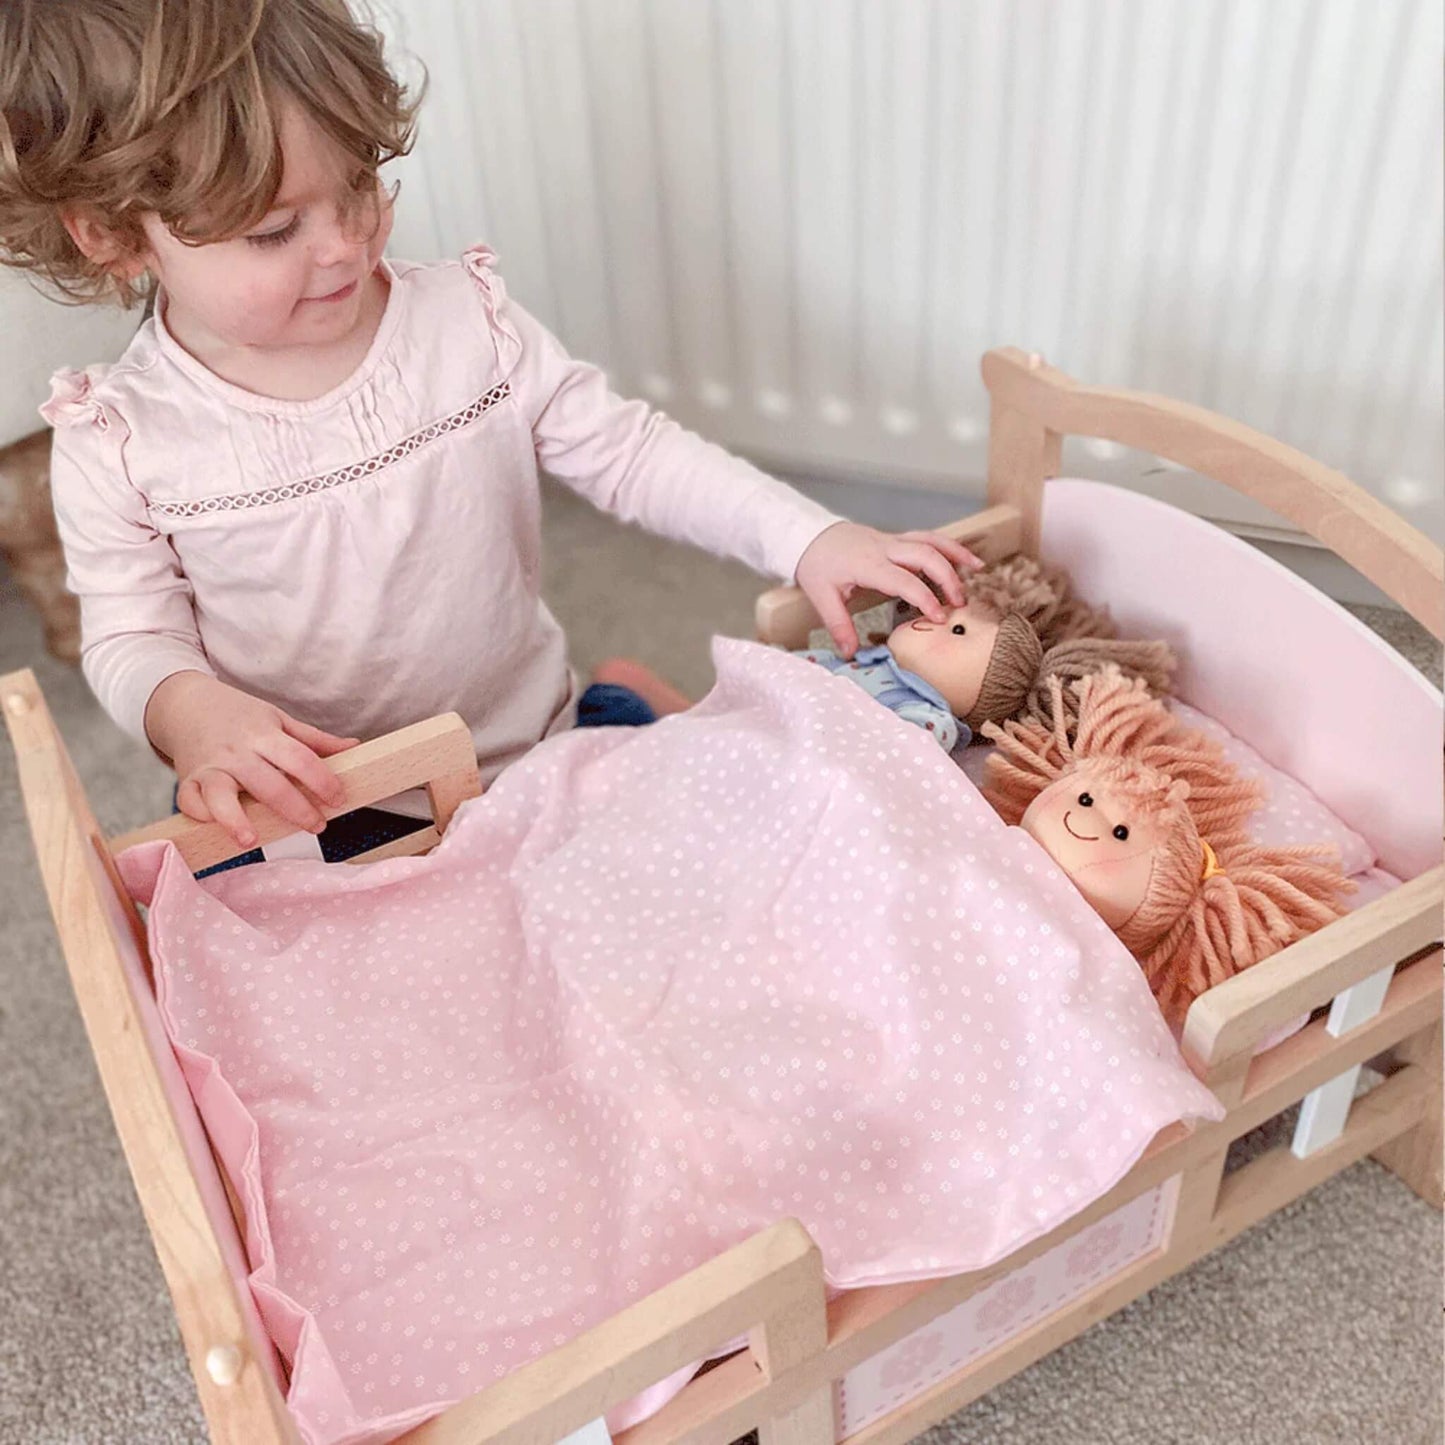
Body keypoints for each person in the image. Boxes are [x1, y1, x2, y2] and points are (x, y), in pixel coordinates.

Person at [0, 0, 976, 856]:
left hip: (525, 744)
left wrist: (805, 535)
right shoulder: (117, 439)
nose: (344, 243)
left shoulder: (466, 326)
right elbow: (130, 634)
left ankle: (612, 707)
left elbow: (630, 452)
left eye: (358, 186)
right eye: (273, 231)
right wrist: (191, 711)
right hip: (316, 807)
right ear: (114, 235)